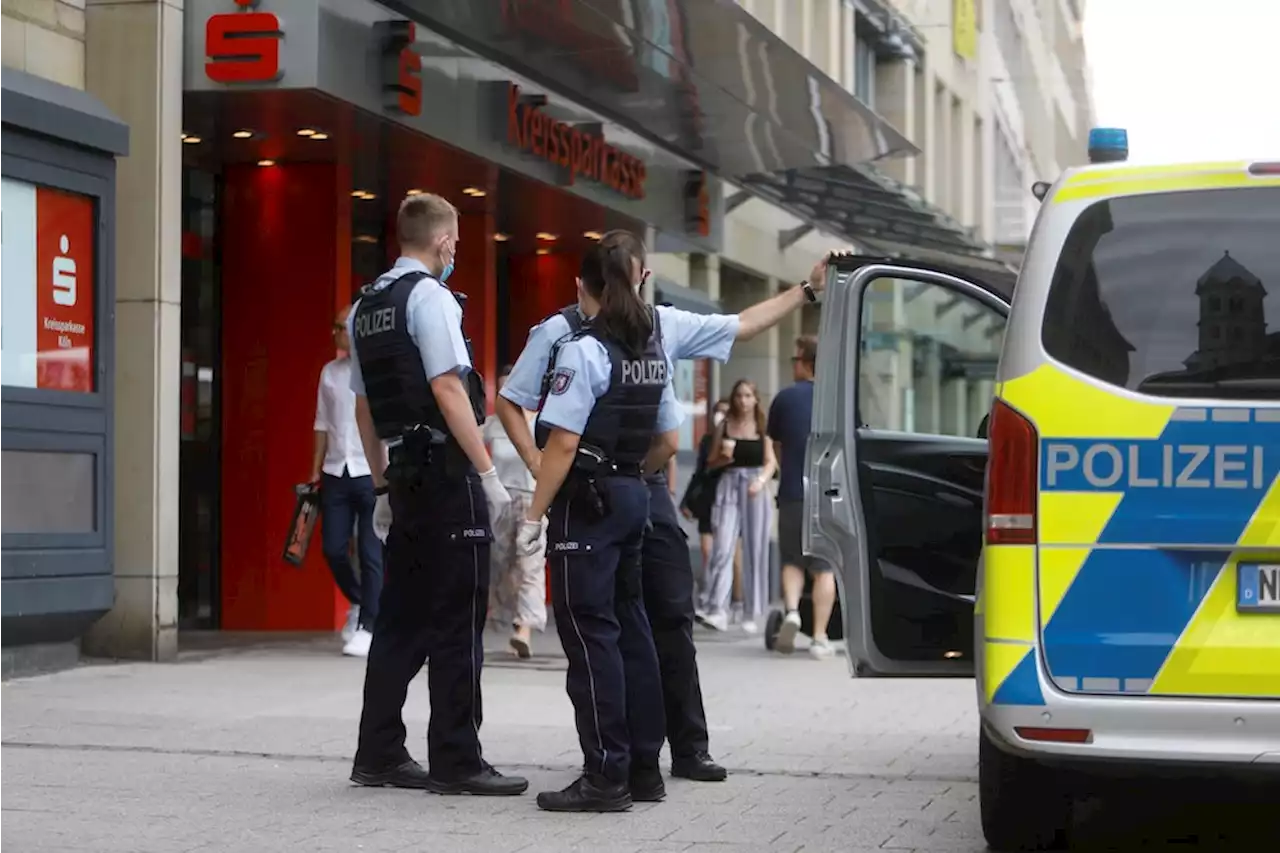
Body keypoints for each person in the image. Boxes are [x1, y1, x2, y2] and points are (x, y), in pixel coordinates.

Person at [497, 231, 831, 784]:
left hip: (634, 483)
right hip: (607, 482)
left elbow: (741, 325)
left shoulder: (658, 324)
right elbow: (515, 404)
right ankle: (635, 763)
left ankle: (672, 751)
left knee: (660, 617)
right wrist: (538, 469)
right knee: (618, 622)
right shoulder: (560, 334)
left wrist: (805, 290)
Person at [345, 192, 527, 796]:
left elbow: (365, 408)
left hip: (403, 475)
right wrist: (487, 474)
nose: (456, 252)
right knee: (456, 620)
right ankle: (457, 760)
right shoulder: (430, 298)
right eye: (456, 243)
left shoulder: (364, 307)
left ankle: (378, 753)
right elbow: (449, 387)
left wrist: (378, 486)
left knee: (399, 619)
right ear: (444, 240)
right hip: (448, 478)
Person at [512, 232, 676, 812]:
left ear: (586, 287)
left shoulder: (586, 349)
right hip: (633, 491)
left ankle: (605, 776)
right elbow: (668, 440)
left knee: (590, 636)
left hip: (588, 503)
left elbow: (560, 445)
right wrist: (629, 476)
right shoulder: (650, 349)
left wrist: (533, 516)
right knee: (632, 629)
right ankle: (644, 770)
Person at [309, 305, 382, 658]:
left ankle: (369, 625)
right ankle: (358, 601)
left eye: (340, 327)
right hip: (336, 471)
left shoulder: (375, 371)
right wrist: (314, 470)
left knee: (371, 551)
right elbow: (322, 424)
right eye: (334, 326)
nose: (335, 333)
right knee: (333, 548)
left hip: (370, 471)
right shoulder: (329, 373)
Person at [767, 334, 835, 659]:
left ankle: (792, 611)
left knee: (792, 560)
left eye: (795, 360)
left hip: (793, 491)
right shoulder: (835, 400)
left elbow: (777, 447)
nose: (792, 365)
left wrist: (789, 470)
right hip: (827, 495)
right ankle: (820, 637)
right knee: (824, 566)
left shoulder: (783, 399)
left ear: (806, 363)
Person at [698, 380, 777, 633]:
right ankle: (717, 609)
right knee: (722, 546)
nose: (743, 401)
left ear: (755, 399)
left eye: (747, 396)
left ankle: (751, 612)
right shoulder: (725, 425)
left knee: (755, 548)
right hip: (729, 483)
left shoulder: (763, 427)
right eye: (739, 396)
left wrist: (761, 481)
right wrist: (723, 458)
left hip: (756, 486)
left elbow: (770, 462)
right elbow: (710, 463)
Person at [483, 364, 547, 658]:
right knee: (501, 562)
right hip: (500, 501)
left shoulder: (541, 423)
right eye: (502, 388)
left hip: (534, 499)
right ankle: (508, 618)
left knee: (530, 564)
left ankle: (525, 629)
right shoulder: (492, 425)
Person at [681, 398, 730, 597]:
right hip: (708, 498)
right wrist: (687, 500)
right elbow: (699, 472)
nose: (721, 416)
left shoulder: (737, 440)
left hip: (729, 498)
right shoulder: (707, 441)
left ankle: (729, 597)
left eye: (725, 412)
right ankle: (709, 591)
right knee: (707, 550)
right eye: (718, 411)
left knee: (725, 551)